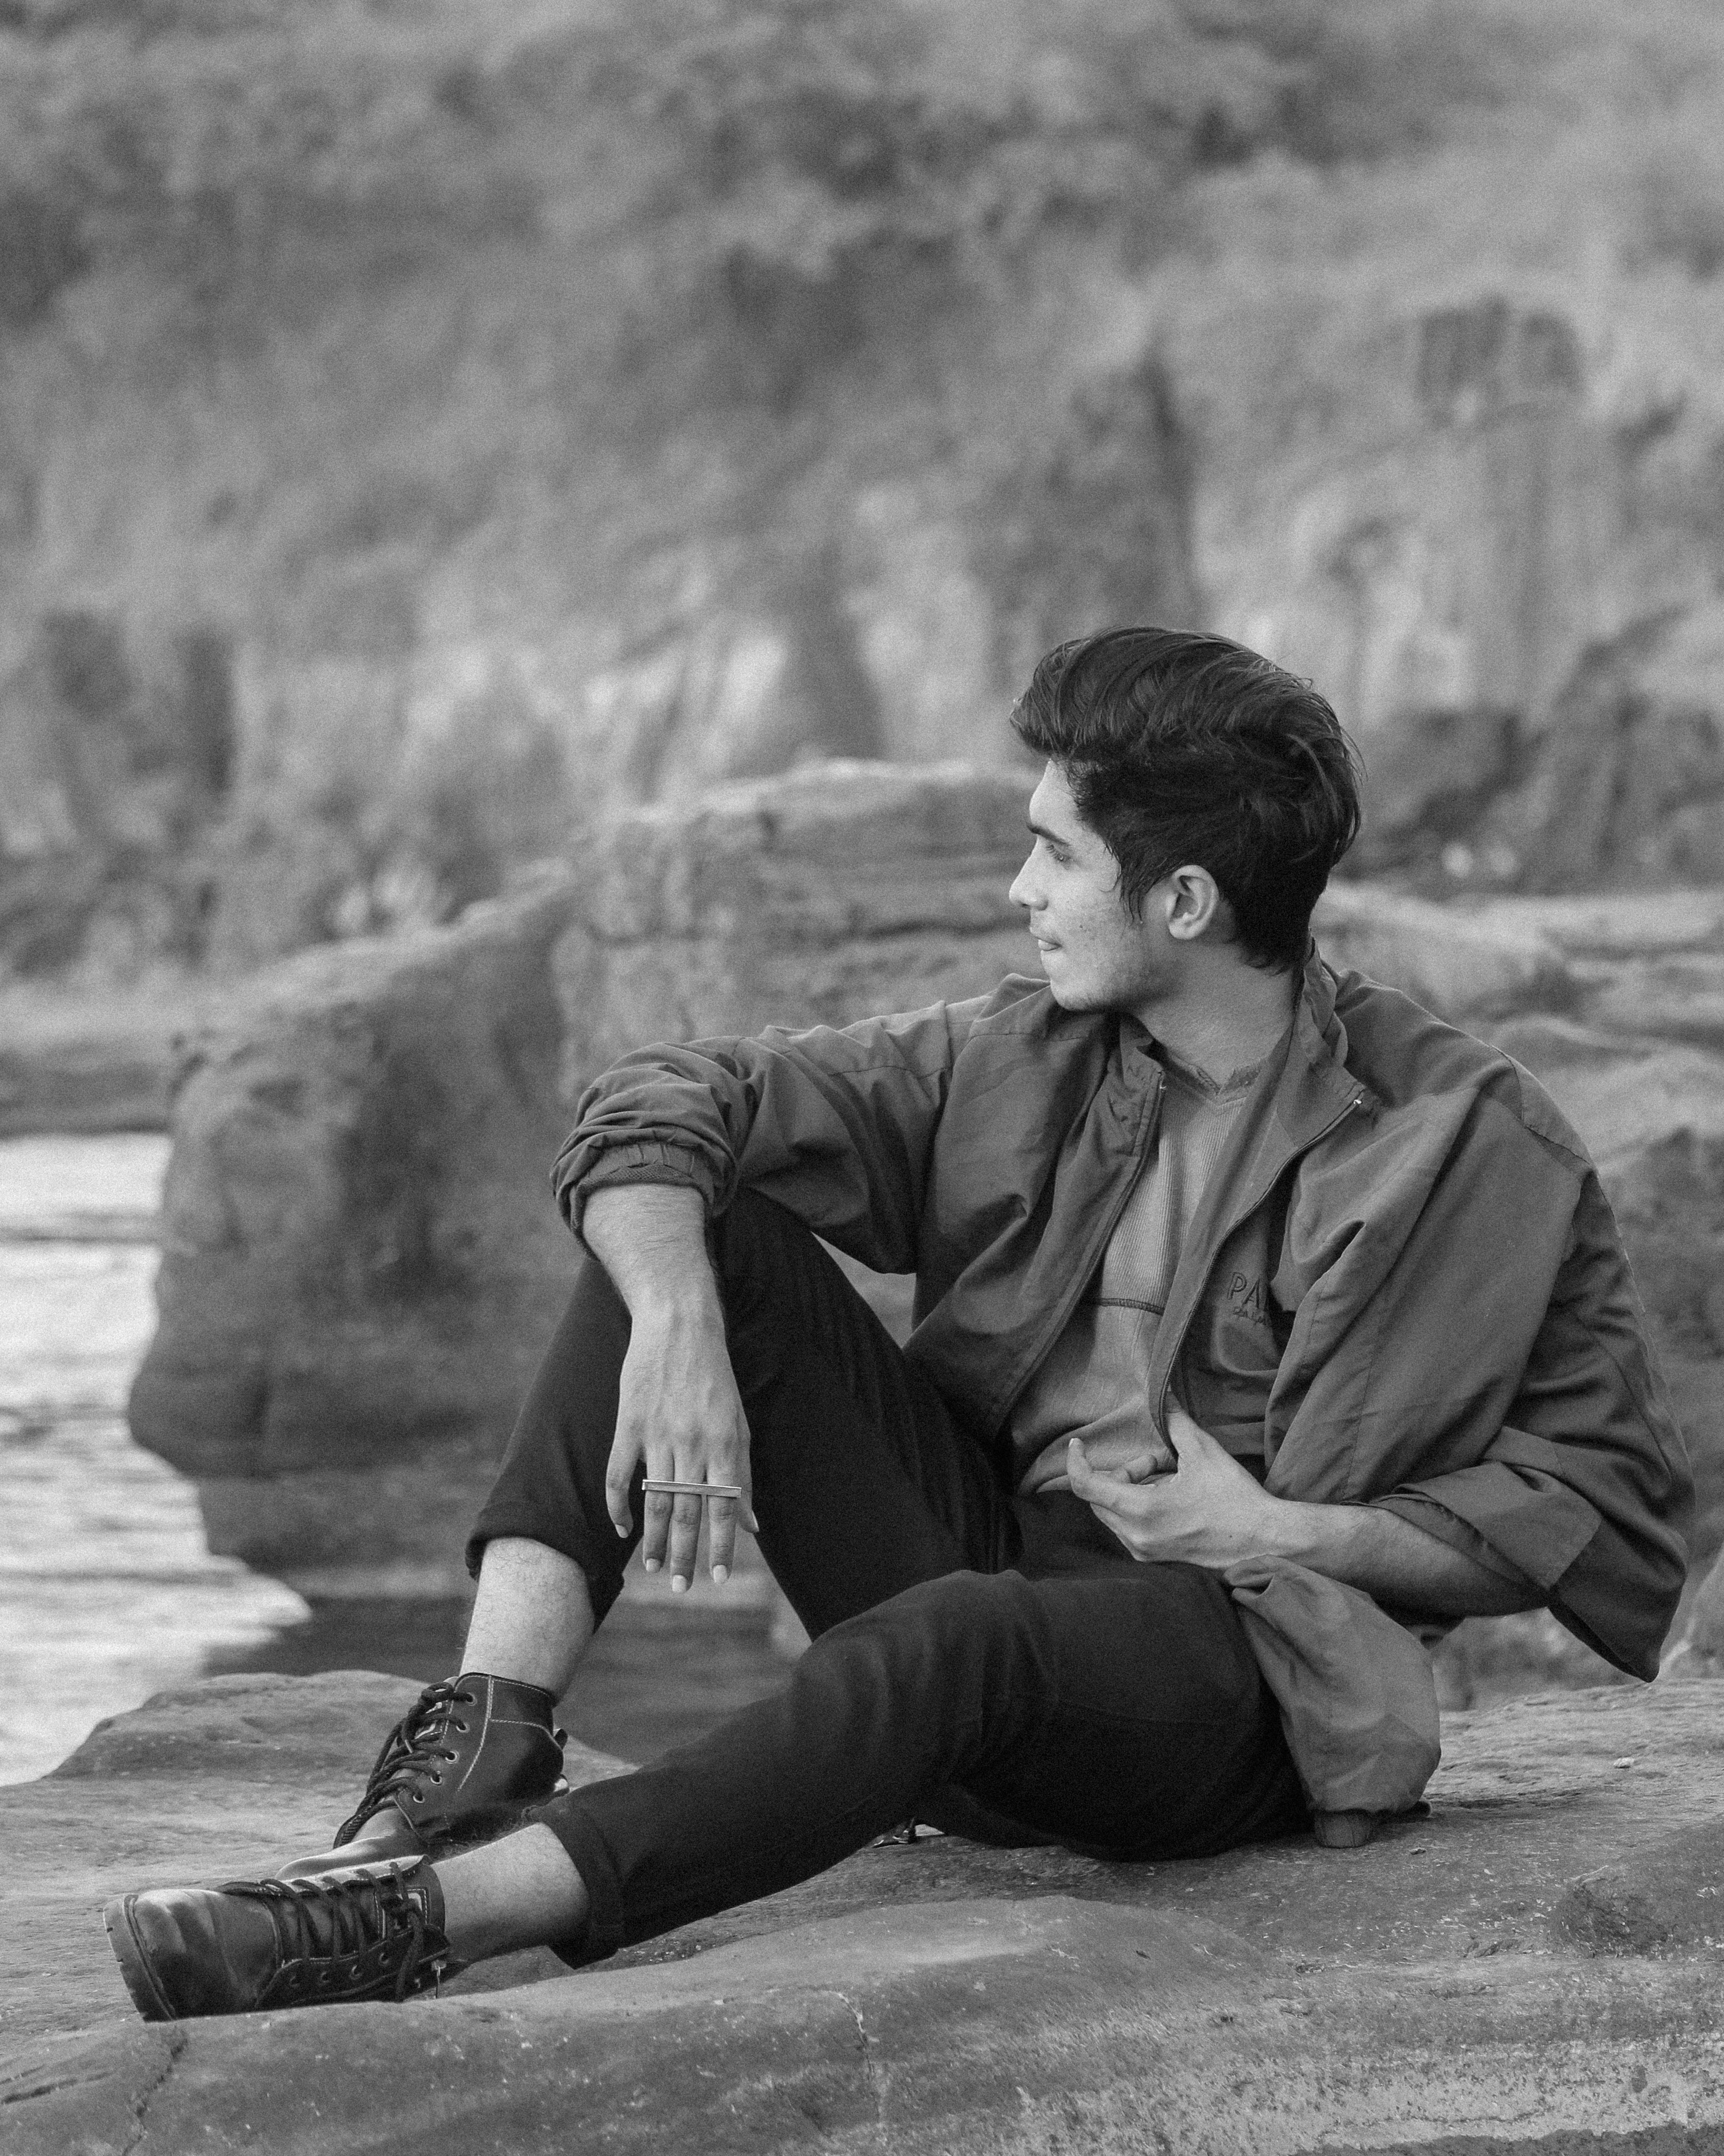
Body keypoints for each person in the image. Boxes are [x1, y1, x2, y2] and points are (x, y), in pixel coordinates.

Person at [103, 628, 1692, 2023]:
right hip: (991, 1588)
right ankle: (478, 1751)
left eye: (1055, 856)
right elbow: (668, 1101)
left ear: (1188, 899)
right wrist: (674, 1323)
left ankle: (420, 1924)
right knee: (700, 1220)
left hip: (1238, 1688)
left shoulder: (1468, 1137)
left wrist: (1284, 1526)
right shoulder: (1025, 1057)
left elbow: (1597, 1515)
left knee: (948, 1641)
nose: (1021, 892)